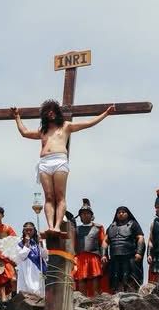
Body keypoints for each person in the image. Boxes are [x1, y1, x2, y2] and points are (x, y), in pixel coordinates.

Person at [12, 101, 115, 235]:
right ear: (44, 115)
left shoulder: (66, 126)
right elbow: (24, 133)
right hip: (44, 162)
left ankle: (57, 226)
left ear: (57, 112)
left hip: (59, 160)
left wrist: (105, 114)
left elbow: (88, 123)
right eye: (48, 111)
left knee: (60, 196)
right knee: (49, 197)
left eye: (53, 110)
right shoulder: (43, 131)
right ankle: (50, 226)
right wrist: (17, 116)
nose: (51, 112)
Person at [104, 206, 144, 293]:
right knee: (115, 278)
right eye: (119, 212)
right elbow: (105, 241)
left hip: (129, 257)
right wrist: (104, 254)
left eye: (123, 212)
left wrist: (139, 252)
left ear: (128, 214)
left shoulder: (133, 224)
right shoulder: (111, 226)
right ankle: (116, 294)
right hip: (114, 258)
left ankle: (130, 294)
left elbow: (140, 238)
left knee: (129, 277)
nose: (121, 214)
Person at [74, 199, 106, 297]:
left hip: (94, 256)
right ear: (80, 216)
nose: (85, 215)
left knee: (95, 278)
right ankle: (82, 300)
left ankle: (96, 299)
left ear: (91, 215)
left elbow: (103, 243)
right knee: (81, 278)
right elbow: (74, 244)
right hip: (80, 257)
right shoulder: (76, 229)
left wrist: (104, 256)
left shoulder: (98, 228)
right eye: (83, 214)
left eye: (87, 213)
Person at [15, 222, 48, 297]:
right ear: (23, 231)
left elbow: (45, 255)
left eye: (31, 230)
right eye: (26, 230)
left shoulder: (38, 242)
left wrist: (41, 244)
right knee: (27, 290)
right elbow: (21, 256)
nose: (29, 232)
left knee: (38, 290)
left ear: (34, 231)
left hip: (37, 270)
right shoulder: (20, 243)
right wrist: (26, 244)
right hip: (26, 270)